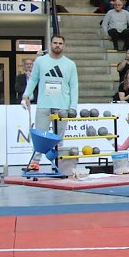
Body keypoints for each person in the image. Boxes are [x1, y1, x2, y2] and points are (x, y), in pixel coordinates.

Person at [22, 35, 79, 170]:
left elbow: (74, 86)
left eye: (60, 43)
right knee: (40, 137)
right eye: (55, 43)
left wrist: (73, 107)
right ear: (50, 44)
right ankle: (35, 163)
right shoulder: (40, 61)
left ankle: (58, 165)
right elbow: (33, 80)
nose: (57, 45)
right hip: (44, 105)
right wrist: (26, 95)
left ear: (64, 46)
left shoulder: (70, 64)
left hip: (63, 106)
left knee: (58, 139)